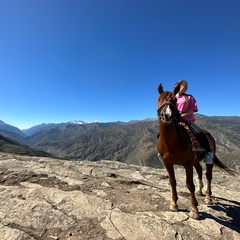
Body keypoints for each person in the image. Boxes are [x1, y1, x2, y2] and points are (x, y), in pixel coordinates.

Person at [173, 80, 213, 164]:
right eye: (185, 86)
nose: (186, 88)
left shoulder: (189, 97)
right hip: (175, 121)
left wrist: (183, 116)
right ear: (179, 86)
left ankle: (208, 153)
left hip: (187, 120)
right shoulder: (173, 97)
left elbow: (192, 110)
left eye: (187, 87)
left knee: (199, 133)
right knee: (161, 134)